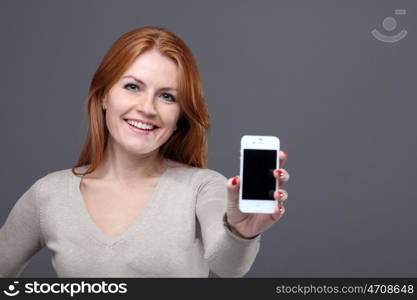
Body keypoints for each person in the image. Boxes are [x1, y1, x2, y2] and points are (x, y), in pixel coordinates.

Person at [0, 26, 290, 277]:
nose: (147, 109)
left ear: (180, 117)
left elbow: (229, 266)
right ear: (103, 96)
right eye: (132, 87)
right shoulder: (48, 195)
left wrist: (241, 232)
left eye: (167, 96)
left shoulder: (203, 187)